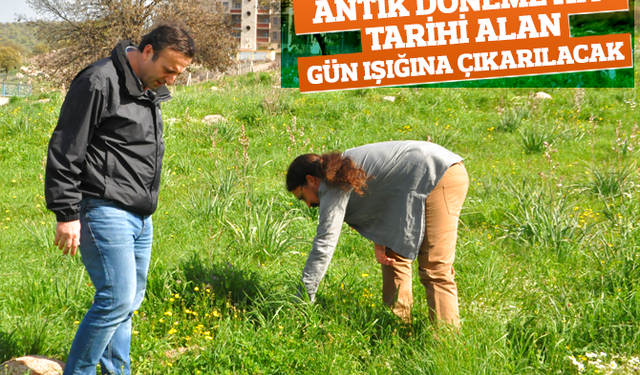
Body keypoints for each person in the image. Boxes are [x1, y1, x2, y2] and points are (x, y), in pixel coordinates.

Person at [45, 25, 195, 375]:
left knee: (127, 304)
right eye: (168, 69)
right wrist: (66, 214)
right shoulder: (99, 81)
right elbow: (67, 148)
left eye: (179, 73)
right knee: (115, 298)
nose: (172, 79)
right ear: (146, 52)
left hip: (140, 216)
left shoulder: (146, 87)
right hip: (103, 208)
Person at [286, 140, 469, 325]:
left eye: (302, 196)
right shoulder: (341, 169)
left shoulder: (332, 184)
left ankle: (445, 340)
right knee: (393, 254)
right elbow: (384, 188)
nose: (308, 205)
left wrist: (302, 300)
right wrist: (381, 238)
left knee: (435, 267)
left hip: (441, 173)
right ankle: (396, 326)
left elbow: (324, 246)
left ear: (311, 180)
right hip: (413, 179)